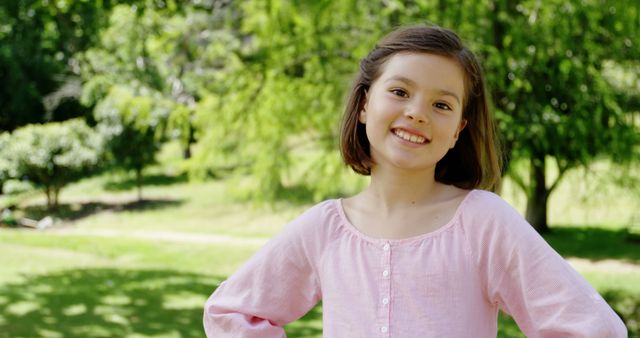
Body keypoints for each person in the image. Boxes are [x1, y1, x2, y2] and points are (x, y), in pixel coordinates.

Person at [203, 25, 627, 337]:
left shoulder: (482, 222)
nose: (418, 113)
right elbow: (229, 312)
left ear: (458, 129)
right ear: (365, 104)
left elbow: (592, 327)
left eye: (441, 104)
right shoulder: (325, 228)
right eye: (400, 92)